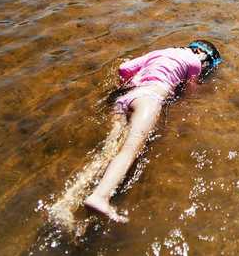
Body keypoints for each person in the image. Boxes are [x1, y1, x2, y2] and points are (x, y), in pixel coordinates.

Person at [81, 40, 223, 223]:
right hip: (149, 99)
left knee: (110, 147)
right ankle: (99, 198)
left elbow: (124, 69)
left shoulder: (160, 51)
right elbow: (190, 94)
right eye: (207, 64)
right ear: (201, 53)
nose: (204, 68)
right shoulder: (194, 61)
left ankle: (83, 186)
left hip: (124, 99)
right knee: (129, 149)